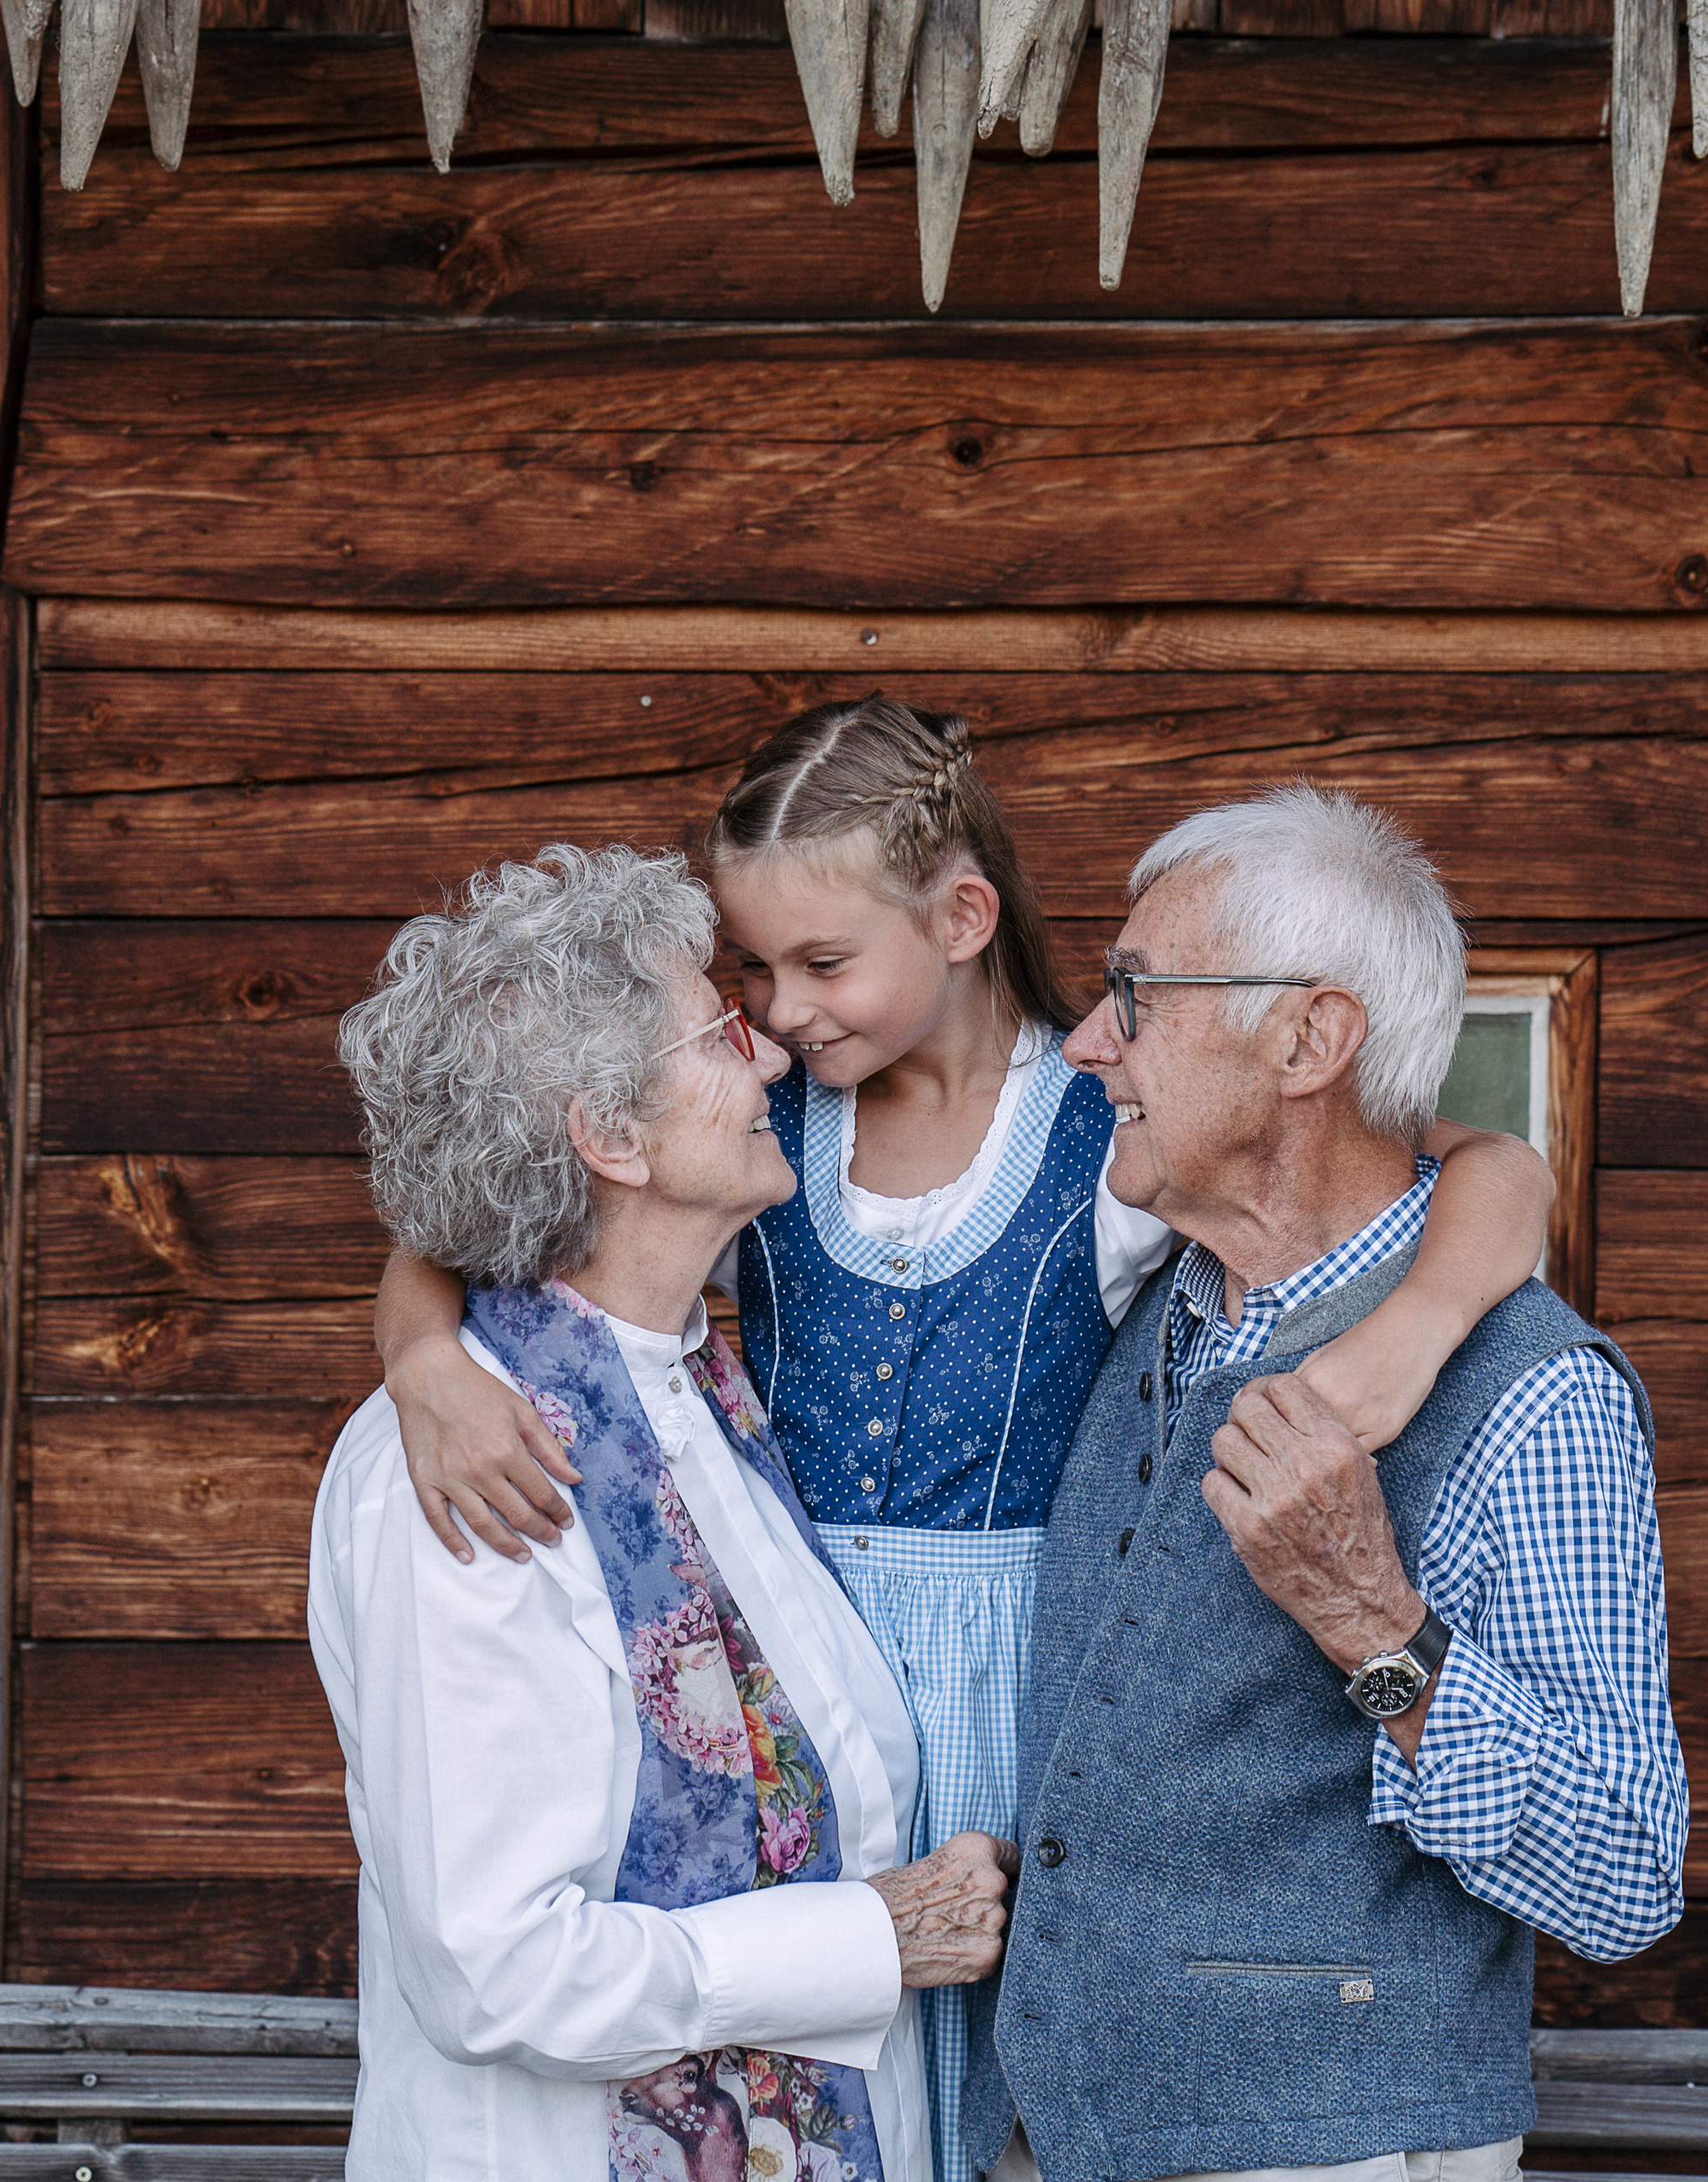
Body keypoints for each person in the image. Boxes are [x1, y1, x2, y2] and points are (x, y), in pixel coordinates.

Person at [370, 701, 1559, 2182]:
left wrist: (1423, 1323)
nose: (784, 1012)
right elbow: (470, 1228)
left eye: (820, 964)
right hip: (801, 1676)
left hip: (1022, 1682)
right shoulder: (759, 1135)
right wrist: (424, 1357)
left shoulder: (1105, 1125)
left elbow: (1487, 1166)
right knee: (830, 2037)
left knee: (1007, 2076)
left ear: (961, 918)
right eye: (751, 973)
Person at [961, 786, 1689, 2182]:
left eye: (1136, 995)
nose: (1091, 1046)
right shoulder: (1156, 1290)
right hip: (1060, 2132)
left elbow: (1622, 1873)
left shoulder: (1535, 1398)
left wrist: (1373, 1627)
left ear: (1310, 1038)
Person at [310, 843, 1018, 2180]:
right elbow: (497, 1968)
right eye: (719, 1034)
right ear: (610, 1136)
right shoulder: (471, 1463)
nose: (768, 1062)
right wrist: (875, 1939)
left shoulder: (706, 1393)